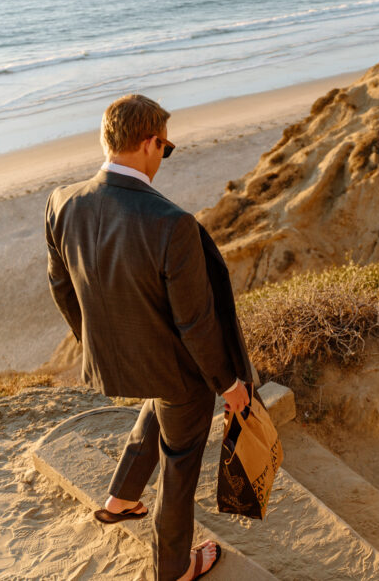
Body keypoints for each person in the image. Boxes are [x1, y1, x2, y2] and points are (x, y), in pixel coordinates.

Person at [45, 94, 252, 581]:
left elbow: (61, 285)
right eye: (166, 148)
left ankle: (121, 496)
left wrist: (91, 338)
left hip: (122, 357)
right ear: (149, 143)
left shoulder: (61, 201)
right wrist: (228, 384)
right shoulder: (172, 224)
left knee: (164, 404)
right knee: (180, 461)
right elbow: (195, 322)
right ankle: (174, 567)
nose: (163, 158)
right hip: (176, 368)